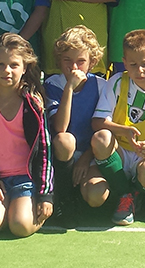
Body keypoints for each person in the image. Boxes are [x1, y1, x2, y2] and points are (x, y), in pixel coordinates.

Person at [0, 34, 54, 237]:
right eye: (1, 65)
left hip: (26, 179)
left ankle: (37, 210)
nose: (7, 71)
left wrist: (45, 194)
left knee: (20, 226)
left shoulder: (33, 104)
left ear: (25, 68)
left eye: (14, 65)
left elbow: (45, 151)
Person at [89, 30, 145, 225]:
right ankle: (125, 195)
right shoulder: (116, 83)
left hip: (144, 156)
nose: (139, 70)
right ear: (124, 62)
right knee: (101, 138)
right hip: (119, 151)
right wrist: (124, 131)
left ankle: (137, 194)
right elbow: (97, 122)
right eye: (133, 65)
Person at [44, 26, 106, 216]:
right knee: (65, 139)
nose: (73, 68)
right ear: (59, 60)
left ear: (92, 62)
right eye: (67, 61)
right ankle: (64, 196)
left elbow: (102, 127)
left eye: (81, 62)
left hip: (91, 154)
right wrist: (69, 88)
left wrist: (86, 159)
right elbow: (60, 127)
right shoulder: (53, 84)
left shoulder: (101, 86)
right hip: (62, 156)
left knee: (96, 196)